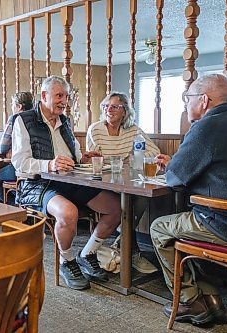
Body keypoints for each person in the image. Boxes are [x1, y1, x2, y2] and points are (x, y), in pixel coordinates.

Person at [150, 73, 227, 326]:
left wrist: (173, 167)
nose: (186, 103)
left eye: (188, 97)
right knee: (189, 228)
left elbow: (175, 179)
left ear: (204, 100)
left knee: (159, 228)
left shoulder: (207, 127)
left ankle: (189, 300)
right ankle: (211, 299)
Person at [12, 75, 121, 290]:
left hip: (70, 181)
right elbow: (19, 163)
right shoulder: (24, 120)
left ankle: (87, 253)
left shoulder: (66, 121)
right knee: (68, 213)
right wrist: (49, 165)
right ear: (44, 96)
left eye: (66, 97)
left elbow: (74, 154)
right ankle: (67, 260)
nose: (64, 101)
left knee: (115, 208)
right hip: (36, 184)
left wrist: (83, 158)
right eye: (59, 96)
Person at [86, 92, 160, 274]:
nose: (108, 110)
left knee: (141, 198)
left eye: (114, 106)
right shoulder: (95, 129)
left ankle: (123, 245)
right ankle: (131, 251)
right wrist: (123, 159)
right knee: (127, 202)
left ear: (125, 111)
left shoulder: (133, 130)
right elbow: (97, 160)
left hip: (128, 181)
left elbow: (154, 151)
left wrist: (134, 157)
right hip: (103, 183)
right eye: (106, 106)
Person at [0, 91, 34, 203]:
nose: (12, 107)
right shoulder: (38, 118)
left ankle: (11, 207)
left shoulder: (15, 118)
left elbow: (2, 148)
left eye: (12, 105)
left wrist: (10, 151)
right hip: (39, 169)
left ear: (19, 106)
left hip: (20, 169)